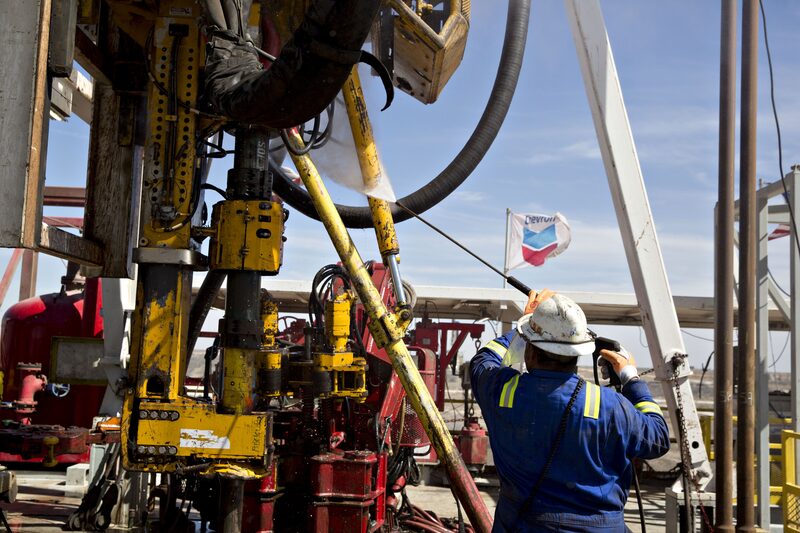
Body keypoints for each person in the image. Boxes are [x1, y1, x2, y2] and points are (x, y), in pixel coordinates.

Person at [470, 290, 670, 532]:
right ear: (578, 354)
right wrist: (630, 377)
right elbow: (658, 438)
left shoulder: (502, 392)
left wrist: (525, 326)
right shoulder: (609, 405)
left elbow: (483, 360)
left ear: (530, 352)